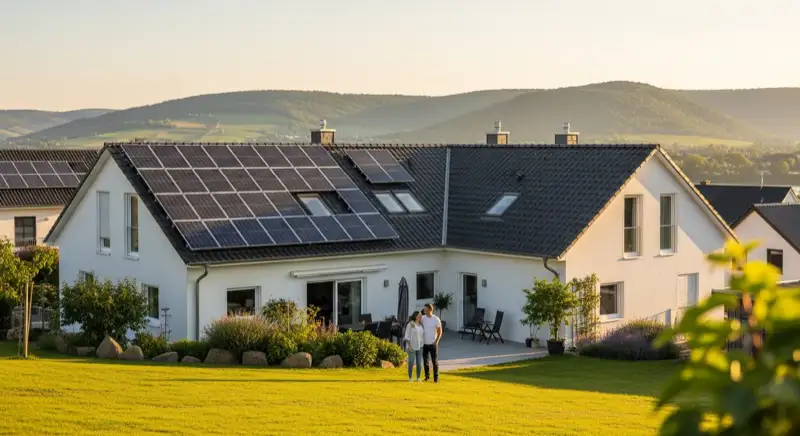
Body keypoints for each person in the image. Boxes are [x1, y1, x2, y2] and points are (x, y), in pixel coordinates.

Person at [420, 303, 442, 383]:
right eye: (424, 309)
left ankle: (436, 378)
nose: (424, 310)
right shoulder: (423, 318)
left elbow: (440, 332)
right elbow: (415, 322)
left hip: (433, 344)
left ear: (430, 309)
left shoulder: (436, 319)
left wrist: (436, 342)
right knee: (425, 361)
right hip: (425, 344)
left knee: (434, 361)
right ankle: (427, 377)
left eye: (425, 309)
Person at [403, 311, 424, 382]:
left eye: (421, 315)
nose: (420, 316)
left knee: (419, 363)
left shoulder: (421, 324)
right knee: (411, 362)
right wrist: (409, 346)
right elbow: (407, 336)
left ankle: (418, 378)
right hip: (412, 346)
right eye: (419, 315)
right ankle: (410, 377)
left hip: (420, 346)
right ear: (415, 316)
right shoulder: (410, 324)